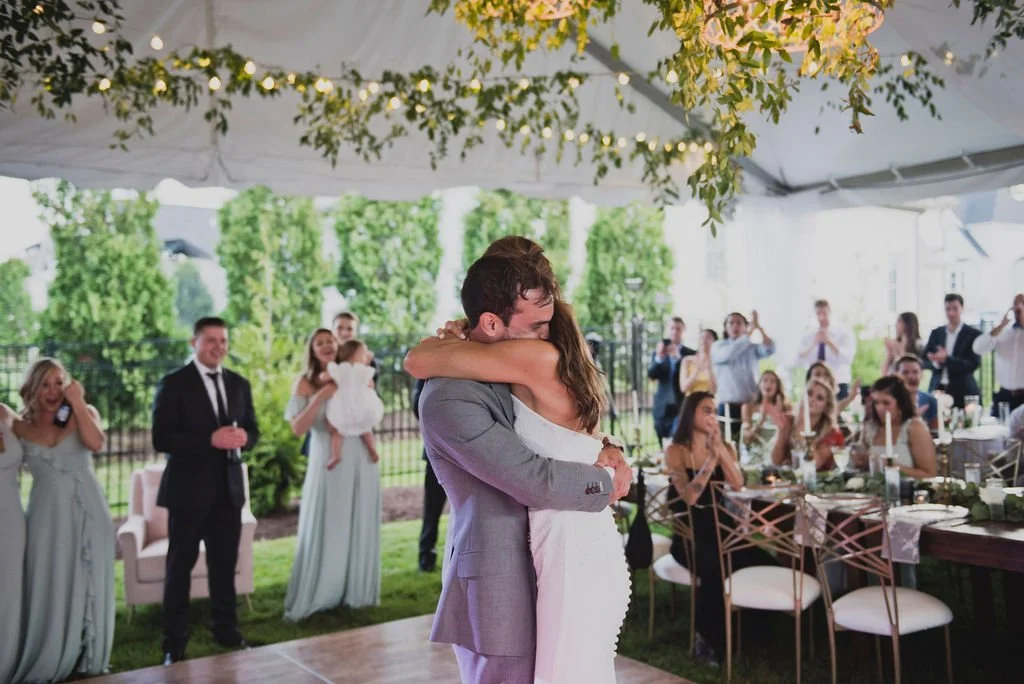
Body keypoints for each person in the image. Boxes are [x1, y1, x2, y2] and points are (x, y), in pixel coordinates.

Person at [407, 242, 631, 684]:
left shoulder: (523, 358)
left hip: (562, 550)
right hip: (501, 581)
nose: (546, 333)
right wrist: (606, 479)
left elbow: (563, 427)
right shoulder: (449, 395)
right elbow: (532, 478)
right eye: (536, 324)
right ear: (492, 320)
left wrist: (606, 443)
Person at [152, 317, 259, 664]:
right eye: (211, 340)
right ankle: (174, 642)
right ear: (193, 343)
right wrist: (208, 439)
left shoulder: (239, 383)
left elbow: (253, 430)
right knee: (179, 566)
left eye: (223, 341)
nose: (218, 347)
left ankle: (226, 630)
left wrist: (246, 439)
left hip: (227, 492)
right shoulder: (174, 384)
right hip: (186, 492)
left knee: (223, 565)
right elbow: (161, 438)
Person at [11, 360, 114, 681]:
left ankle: (87, 652)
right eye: (45, 384)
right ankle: (50, 648)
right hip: (45, 516)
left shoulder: (84, 413)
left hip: (89, 511)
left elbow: (96, 443)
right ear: (32, 388)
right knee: (49, 577)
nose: (53, 391)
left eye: (59, 383)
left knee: (89, 578)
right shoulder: (18, 426)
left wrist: (79, 402)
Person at [663, 391, 776, 667]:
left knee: (764, 561)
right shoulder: (676, 450)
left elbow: (737, 484)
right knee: (716, 566)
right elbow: (690, 498)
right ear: (691, 413)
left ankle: (752, 634)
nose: (712, 415)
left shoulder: (725, 445)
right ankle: (706, 639)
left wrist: (721, 452)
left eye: (714, 410)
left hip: (723, 529)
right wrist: (710, 462)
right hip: (690, 535)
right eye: (706, 410)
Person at [284, 329, 382, 620]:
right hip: (328, 458)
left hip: (361, 457)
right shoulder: (306, 382)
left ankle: (357, 594)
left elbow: (368, 413)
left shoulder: (356, 375)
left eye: (331, 342)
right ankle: (323, 593)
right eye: (320, 343)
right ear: (312, 350)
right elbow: (297, 428)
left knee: (359, 519)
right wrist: (321, 397)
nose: (327, 346)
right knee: (331, 522)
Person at [850, 376, 937, 479]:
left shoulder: (914, 428)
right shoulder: (870, 428)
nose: (880, 408)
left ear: (900, 404)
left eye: (886, 403)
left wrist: (889, 466)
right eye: (876, 402)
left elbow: (929, 474)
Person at [712, 311, 775, 443]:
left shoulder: (751, 347)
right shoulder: (718, 347)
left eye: (739, 323)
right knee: (727, 444)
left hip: (750, 405)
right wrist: (748, 334)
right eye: (731, 323)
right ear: (725, 327)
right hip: (727, 407)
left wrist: (758, 327)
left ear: (745, 326)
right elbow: (729, 354)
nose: (735, 326)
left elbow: (770, 349)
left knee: (751, 443)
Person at [324, 339, 384, 469]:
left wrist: (323, 377)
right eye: (363, 353)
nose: (366, 357)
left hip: (343, 406)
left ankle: (336, 455)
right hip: (361, 406)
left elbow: (328, 375)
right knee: (366, 430)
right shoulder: (363, 370)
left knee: (337, 431)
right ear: (355, 355)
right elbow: (369, 382)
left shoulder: (340, 369)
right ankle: (372, 450)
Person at [768, 378, 845, 471]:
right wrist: (782, 431)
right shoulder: (789, 420)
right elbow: (776, 461)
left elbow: (812, 465)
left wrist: (802, 426)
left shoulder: (832, 433)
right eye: (809, 393)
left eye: (819, 398)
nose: (812, 399)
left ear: (826, 407)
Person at [0, 403, 25, 684]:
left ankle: (7, 663)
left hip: (13, 518)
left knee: (10, 590)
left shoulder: (4, 413)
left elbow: (41, 436)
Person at [412, 378, 447, 572]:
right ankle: (426, 556)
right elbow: (417, 403)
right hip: (437, 452)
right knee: (431, 510)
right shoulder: (428, 372)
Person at [923, 294, 982, 408]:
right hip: (938, 388)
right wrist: (935, 361)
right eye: (947, 309)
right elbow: (925, 359)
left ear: (962, 308)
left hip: (963, 389)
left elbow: (973, 364)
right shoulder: (936, 333)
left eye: (955, 308)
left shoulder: (973, 334)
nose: (951, 313)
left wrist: (947, 359)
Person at [794, 299, 857, 399]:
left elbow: (848, 358)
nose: (821, 317)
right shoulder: (808, 334)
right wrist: (813, 344)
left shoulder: (844, 332)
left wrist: (829, 342)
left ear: (829, 311)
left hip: (838, 382)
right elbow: (798, 359)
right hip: (814, 383)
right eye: (818, 313)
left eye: (824, 313)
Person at [973, 294, 1024, 414]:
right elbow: (978, 348)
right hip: (1004, 395)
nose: (1019, 307)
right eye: (1016, 303)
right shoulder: (1004, 333)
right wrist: (1001, 325)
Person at [648, 316, 695, 442]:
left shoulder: (690, 354)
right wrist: (659, 357)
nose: (675, 331)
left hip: (680, 406)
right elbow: (651, 374)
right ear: (667, 330)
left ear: (683, 330)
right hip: (662, 406)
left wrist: (677, 358)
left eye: (678, 329)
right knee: (662, 445)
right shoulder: (659, 352)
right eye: (672, 328)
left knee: (677, 442)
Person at [740, 370, 789, 460]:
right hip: (754, 455)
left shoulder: (786, 407)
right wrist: (761, 420)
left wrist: (779, 414)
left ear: (777, 386)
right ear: (759, 385)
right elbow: (747, 439)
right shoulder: (748, 407)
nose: (768, 384)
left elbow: (787, 437)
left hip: (777, 455)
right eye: (765, 380)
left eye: (772, 381)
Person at [895, 354, 938, 431]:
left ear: (922, 374)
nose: (911, 376)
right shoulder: (891, 400)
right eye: (905, 372)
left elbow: (935, 432)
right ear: (897, 375)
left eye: (915, 372)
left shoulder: (930, 400)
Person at [679, 328, 718, 397]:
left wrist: (709, 368)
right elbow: (684, 388)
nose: (704, 340)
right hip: (690, 401)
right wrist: (697, 370)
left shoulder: (716, 362)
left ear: (714, 342)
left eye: (708, 337)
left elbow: (714, 391)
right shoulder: (687, 360)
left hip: (708, 401)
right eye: (702, 337)